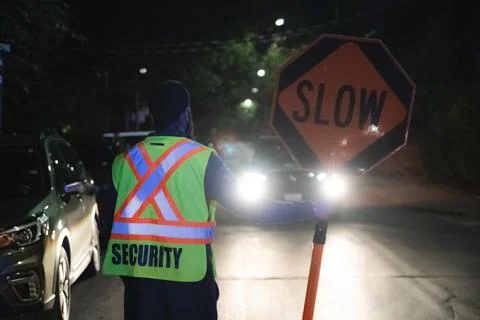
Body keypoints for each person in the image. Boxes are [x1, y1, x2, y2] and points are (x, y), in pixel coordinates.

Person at [101, 80, 330, 320]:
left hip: (140, 289)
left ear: (152, 115)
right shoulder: (202, 160)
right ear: (186, 114)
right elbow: (253, 208)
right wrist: (311, 208)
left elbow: (108, 226)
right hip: (189, 286)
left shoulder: (123, 162)